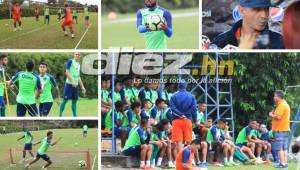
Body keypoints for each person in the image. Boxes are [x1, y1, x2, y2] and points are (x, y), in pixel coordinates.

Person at [212, 0, 284, 49]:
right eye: (257, 9)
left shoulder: (281, 42)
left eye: (266, 9)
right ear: (242, 11)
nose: (264, 15)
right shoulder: (220, 42)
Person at [169, 80, 197, 156]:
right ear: (186, 86)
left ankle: (180, 160)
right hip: (187, 120)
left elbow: (172, 108)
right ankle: (189, 160)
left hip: (176, 120)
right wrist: (194, 120)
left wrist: (180, 114)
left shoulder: (173, 96)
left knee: (179, 142)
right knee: (188, 141)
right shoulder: (191, 96)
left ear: (178, 86)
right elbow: (194, 109)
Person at [269, 90, 290, 168]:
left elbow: (278, 117)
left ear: (278, 97)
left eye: (275, 96)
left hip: (280, 130)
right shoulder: (284, 104)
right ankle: (285, 163)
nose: (274, 97)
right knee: (284, 148)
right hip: (285, 129)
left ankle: (282, 164)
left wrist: (271, 114)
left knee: (279, 148)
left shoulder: (282, 105)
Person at [59, 52, 86, 117]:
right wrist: (72, 81)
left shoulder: (79, 64)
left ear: (80, 56)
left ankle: (74, 115)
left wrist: (82, 87)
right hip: (69, 84)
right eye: (76, 54)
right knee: (65, 100)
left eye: (78, 55)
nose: (77, 55)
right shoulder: (70, 61)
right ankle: (60, 114)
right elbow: (67, 72)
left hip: (76, 86)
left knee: (74, 101)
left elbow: (78, 76)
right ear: (74, 55)